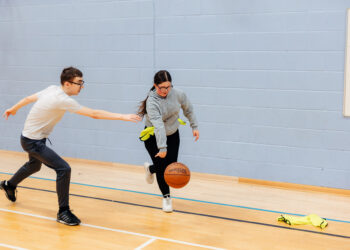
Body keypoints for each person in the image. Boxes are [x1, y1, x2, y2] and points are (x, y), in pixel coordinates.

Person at [1, 67, 141, 226]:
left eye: (82, 82)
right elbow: (94, 114)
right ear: (67, 84)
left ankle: (9, 185)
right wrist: (122, 116)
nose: (82, 86)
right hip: (33, 141)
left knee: (34, 166)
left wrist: (13, 109)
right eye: (79, 83)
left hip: (30, 137)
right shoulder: (61, 99)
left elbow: (28, 98)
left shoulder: (52, 89)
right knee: (63, 169)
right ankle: (63, 211)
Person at [137, 70, 199, 212]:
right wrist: (162, 148)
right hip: (153, 137)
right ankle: (166, 198)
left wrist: (194, 126)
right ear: (155, 85)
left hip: (172, 134)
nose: (165, 90)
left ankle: (150, 169)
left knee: (169, 167)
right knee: (161, 167)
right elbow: (158, 126)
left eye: (168, 86)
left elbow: (188, 110)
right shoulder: (152, 102)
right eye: (161, 87)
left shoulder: (178, 94)